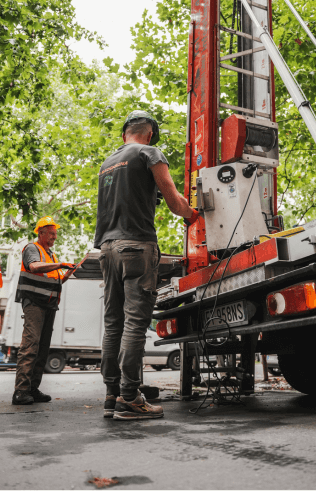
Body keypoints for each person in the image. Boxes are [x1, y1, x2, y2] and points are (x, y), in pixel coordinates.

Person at [94, 110, 198, 420]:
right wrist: (194, 215)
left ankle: (112, 395)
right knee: (135, 324)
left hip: (107, 248)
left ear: (123, 134)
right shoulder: (150, 152)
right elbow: (172, 198)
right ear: (150, 133)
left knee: (113, 322)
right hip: (137, 246)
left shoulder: (107, 164)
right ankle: (130, 397)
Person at [12, 216, 75, 405]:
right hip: (34, 303)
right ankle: (20, 391)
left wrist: (68, 272)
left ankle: (32, 388)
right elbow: (33, 266)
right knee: (30, 345)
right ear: (41, 233)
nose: (55, 237)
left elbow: (56, 280)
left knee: (42, 348)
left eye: (56, 234)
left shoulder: (51, 255)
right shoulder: (33, 249)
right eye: (52, 233)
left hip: (48, 305)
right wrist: (61, 264)